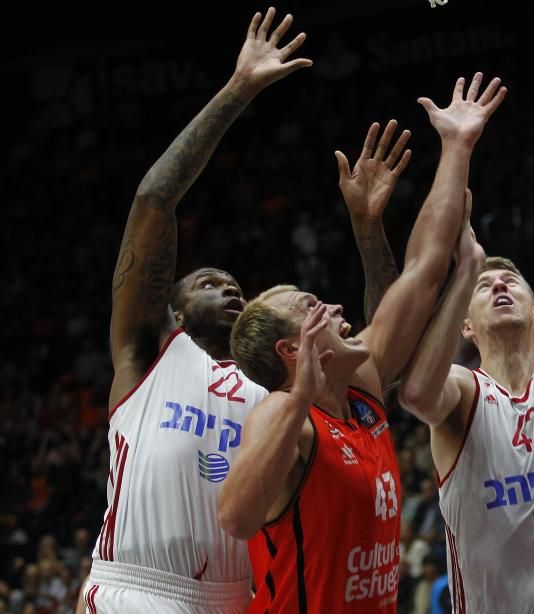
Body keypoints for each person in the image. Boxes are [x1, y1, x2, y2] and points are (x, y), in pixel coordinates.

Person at [219, 72, 507, 613]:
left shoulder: (361, 391)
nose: (330, 306)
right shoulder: (285, 415)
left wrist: (456, 146)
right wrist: (300, 397)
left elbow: (423, 271)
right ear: (291, 350)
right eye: (309, 308)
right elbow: (235, 518)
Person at [81, 9, 316, 612]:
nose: (231, 289)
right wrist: (238, 91)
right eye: (209, 282)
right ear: (174, 310)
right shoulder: (150, 353)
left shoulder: (273, 389)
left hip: (237, 598)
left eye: (237, 284)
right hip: (137, 589)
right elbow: (154, 200)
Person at [397, 126, 534, 612]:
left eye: (511, 280)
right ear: (466, 326)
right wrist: (463, 273)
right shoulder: (464, 391)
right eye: (484, 284)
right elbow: (416, 395)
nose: (499, 286)